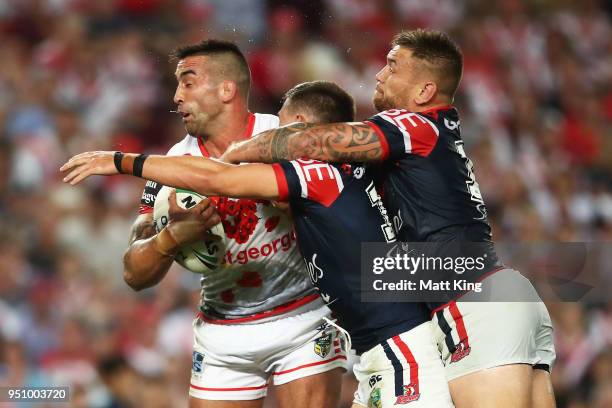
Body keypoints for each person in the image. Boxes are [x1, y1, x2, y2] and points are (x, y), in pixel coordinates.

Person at [214, 30, 556, 408]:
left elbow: (312, 142)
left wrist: (237, 151)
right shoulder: (431, 138)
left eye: (392, 66)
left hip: (471, 301)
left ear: (424, 91)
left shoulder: (411, 125)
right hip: (504, 294)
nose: (379, 75)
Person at [62, 80, 455, 407]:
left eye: (279, 131)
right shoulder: (358, 171)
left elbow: (219, 181)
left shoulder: (315, 173)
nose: (271, 150)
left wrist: (119, 161)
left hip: (393, 347)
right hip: (382, 344)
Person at [103, 40, 348, 408]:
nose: (176, 97)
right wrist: (169, 238)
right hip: (223, 331)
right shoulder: (170, 167)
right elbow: (134, 274)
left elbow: (343, 205)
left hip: (304, 317)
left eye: (187, 82)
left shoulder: (284, 135)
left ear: (226, 89)